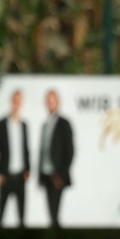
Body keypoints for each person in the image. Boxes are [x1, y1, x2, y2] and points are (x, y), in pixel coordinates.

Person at [0, 89, 30, 227]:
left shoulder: (24, 125)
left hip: (20, 177)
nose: (17, 104)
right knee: (0, 217)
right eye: (15, 101)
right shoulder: (1, 124)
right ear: (11, 102)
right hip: (5, 176)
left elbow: (26, 149)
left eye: (19, 101)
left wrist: (28, 170)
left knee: (22, 218)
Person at [38, 89, 73, 227]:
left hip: (57, 175)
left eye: (52, 101)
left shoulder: (64, 123)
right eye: (48, 101)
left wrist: (61, 175)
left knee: (54, 215)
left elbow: (69, 151)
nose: (50, 104)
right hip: (46, 173)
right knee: (51, 214)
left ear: (57, 103)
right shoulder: (46, 124)